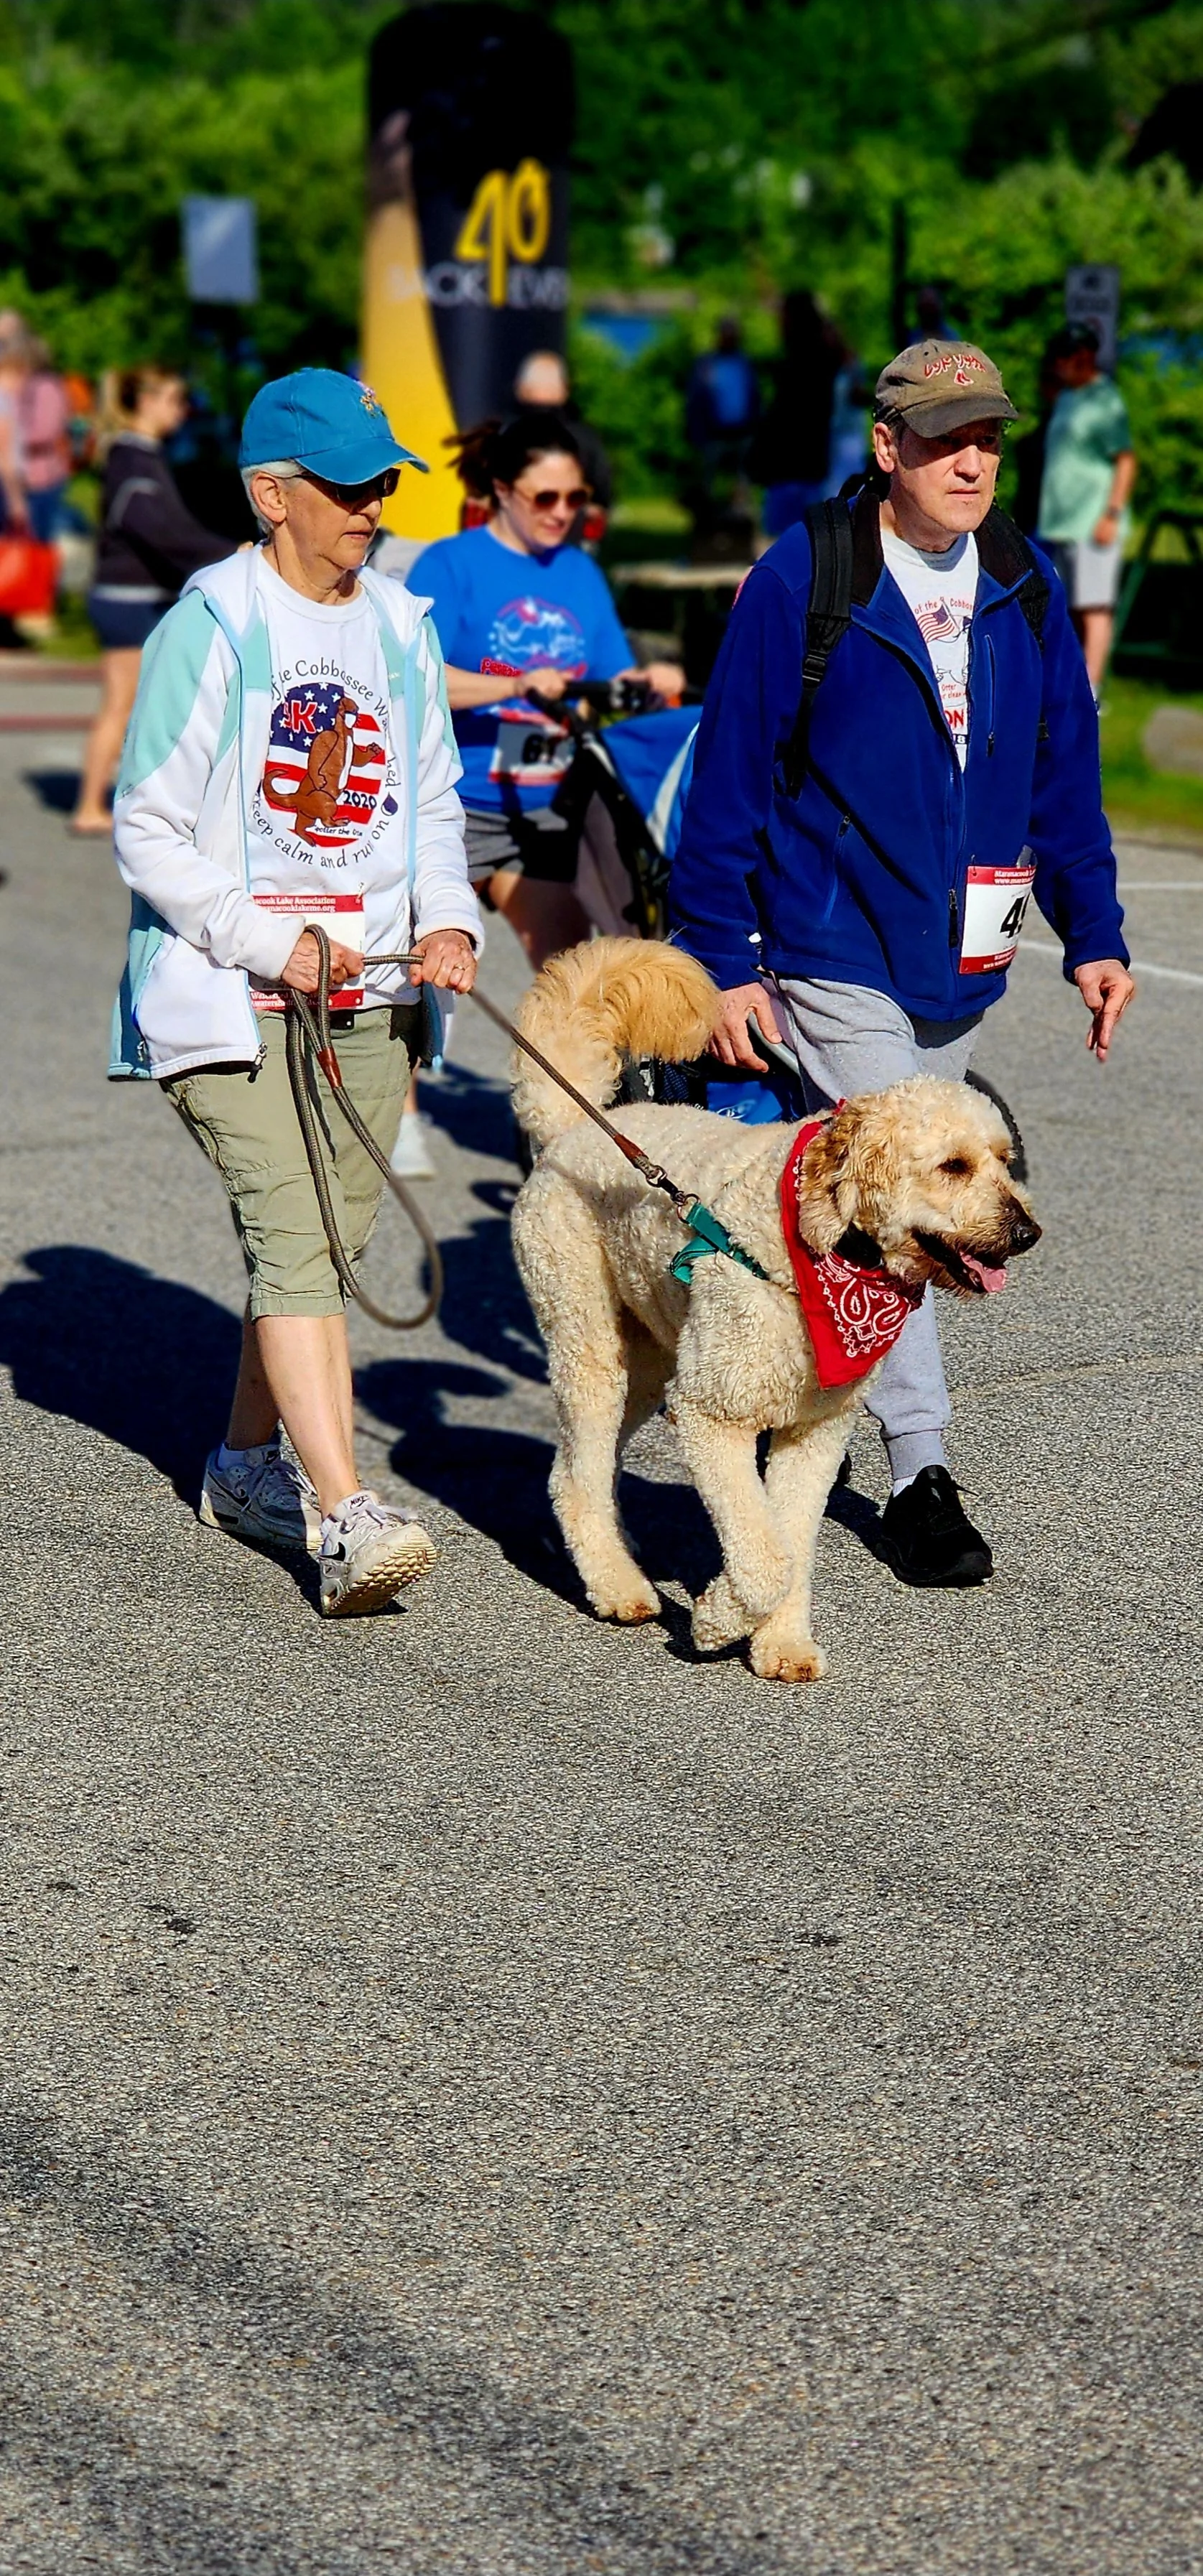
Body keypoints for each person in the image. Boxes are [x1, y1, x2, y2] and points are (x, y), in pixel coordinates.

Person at [669, 336, 1135, 1589]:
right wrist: (720, 957)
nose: (972, 457)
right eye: (943, 437)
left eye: (988, 435)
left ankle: (782, 1380)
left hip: (963, 958)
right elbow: (726, 783)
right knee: (915, 1197)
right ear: (888, 448)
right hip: (832, 944)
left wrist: (1095, 933)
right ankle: (921, 1468)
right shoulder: (804, 578)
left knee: (855, 1209)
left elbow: (1063, 779)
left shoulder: (1025, 581)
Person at [110, 368, 480, 1617]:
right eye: (348, 485)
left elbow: (429, 800)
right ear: (274, 495)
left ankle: (240, 1466)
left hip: (374, 999)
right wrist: (270, 940)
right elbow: (148, 827)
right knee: (292, 1234)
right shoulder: (210, 624)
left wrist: (448, 922)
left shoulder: (401, 626)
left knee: (326, 1246)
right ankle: (344, 1507)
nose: (374, 504)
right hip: (226, 997)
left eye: (383, 480)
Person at [408, 408, 683, 977]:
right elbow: (410, 679)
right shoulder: (449, 563)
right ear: (502, 491)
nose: (562, 513)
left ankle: (552, 1070)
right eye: (545, 498)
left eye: (574, 498)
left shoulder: (579, 572)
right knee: (418, 995)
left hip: (547, 807)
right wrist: (514, 685)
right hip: (452, 806)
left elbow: (611, 680)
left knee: (573, 978)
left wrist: (650, 683)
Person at [73, 367, 233, 836]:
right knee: (122, 705)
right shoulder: (131, 457)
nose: (180, 411)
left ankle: (116, 799)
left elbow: (170, 530)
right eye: (173, 399)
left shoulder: (137, 456)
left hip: (134, 596)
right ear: (144, 401)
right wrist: (226, 553)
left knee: (135, 704)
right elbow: (158, 530)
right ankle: (88, 806)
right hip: (128, 599)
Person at [1037, 324, 1136, 696]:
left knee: (1095, 606)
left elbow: (1125, 460)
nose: (1057, 365)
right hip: (1061, 522)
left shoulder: (1105, 400)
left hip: (1093, 521)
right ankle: (1070, 680)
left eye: (1063, 358)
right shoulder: (1067, 398)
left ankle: (1092, 690)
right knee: (1069, 605)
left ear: (1081, 358)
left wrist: (1111, 514)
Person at [750, 291, 844, 538]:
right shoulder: (823, 358)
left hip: (792, 465)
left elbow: (783, 418)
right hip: (810, 463)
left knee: (786, 541)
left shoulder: (802, 363)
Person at [513, 348, 613, 523]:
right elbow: (603, 490)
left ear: (522, 389)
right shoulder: (586, 438)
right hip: (571, 531)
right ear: (563, 390)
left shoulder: (501, 434)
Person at [685, 317, 761, 527]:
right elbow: (695, 399)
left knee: (742, 482)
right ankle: (705, 526)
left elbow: (754, 397)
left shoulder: (744, 363)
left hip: (742, 432)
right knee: (707, 482)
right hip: (713, 433)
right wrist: (696, 432)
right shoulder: (707, 364)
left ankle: (741, 524)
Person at [20, 339, 72, 544]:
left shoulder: (47, 387)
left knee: (38, 539)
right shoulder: (24, 385)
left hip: (42, 476)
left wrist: (11, 437)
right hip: (23, 475)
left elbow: (45, 431)